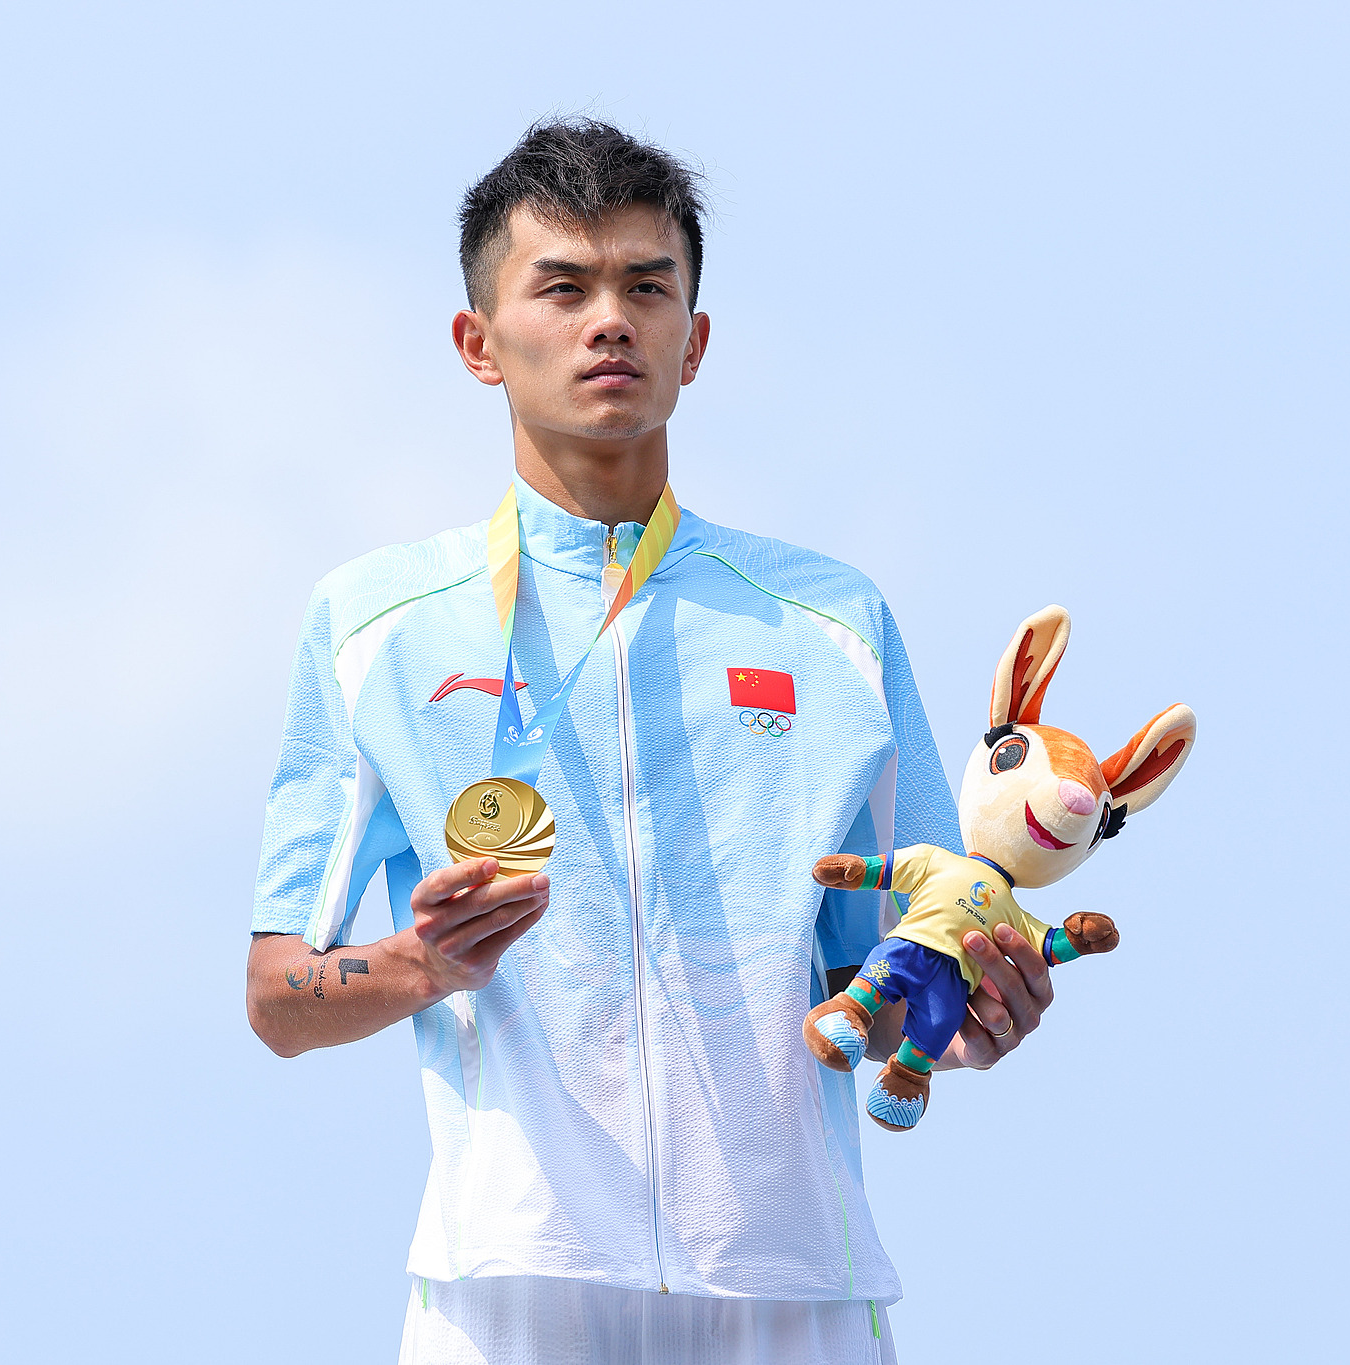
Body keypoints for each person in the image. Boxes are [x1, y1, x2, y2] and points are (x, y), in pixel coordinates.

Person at [246, 119, 1060, 1365]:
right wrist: (424, 962)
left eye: (646, 285)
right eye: (561, 288)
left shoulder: (828, 623)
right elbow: (277, 1000)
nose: (607, 320)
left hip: (791, 1284)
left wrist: (971, 1016)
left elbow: (899, 974)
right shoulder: (376, 626)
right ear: (478, 344)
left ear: (696, 341)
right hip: (505, 1278)